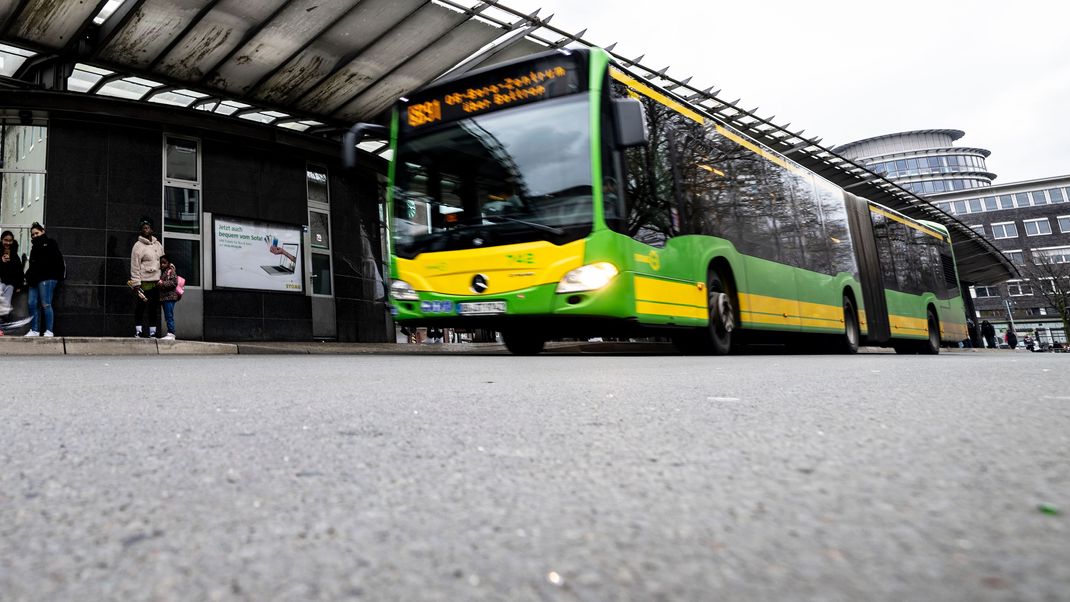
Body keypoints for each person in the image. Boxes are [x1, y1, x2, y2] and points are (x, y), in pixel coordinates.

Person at [23, 222, 64, 337]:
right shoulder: (33, 248)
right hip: (35, 279)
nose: (35, 236)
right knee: (31, 303)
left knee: (46, 304)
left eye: (37, 233)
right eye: (33, 234)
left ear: (43, 231)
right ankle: (34, 330)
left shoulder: (50, 243)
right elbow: (33, 265)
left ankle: (49, 331)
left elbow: (53, 262)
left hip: (47, 277)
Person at [130, 217, 164, 338]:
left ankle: (153, 332)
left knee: (153, 308)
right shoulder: (138, 246)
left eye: (148, 227)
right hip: (143, 282)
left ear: (152, 229)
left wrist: (169, 268)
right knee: (141, 307)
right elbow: (135, 265)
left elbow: (163, 260)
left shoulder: (157, 244)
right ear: (141, 230)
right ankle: (138, 331)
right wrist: (136, 283)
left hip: (156, 282)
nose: (146, 229)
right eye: (143, 228)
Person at [0, 230, 24, 335]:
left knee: (5, 306)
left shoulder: (14, 255)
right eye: (6, 240)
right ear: (1, 240)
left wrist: (19, 285)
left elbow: (19, 272)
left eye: (10, 241)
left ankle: (2, 327)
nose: (8, 243)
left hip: (9, 285)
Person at [156, 254, 179, 340]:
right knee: (167, 315)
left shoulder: (170, 271)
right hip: (165, 298)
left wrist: (162, 284)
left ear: (168, 263)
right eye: (161, 263)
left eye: (164, 263)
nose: (162, 265)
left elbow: (174, 283)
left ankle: (171, 333)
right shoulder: (164, 272)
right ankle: (170, 333)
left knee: (169, 315)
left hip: (169, 297)